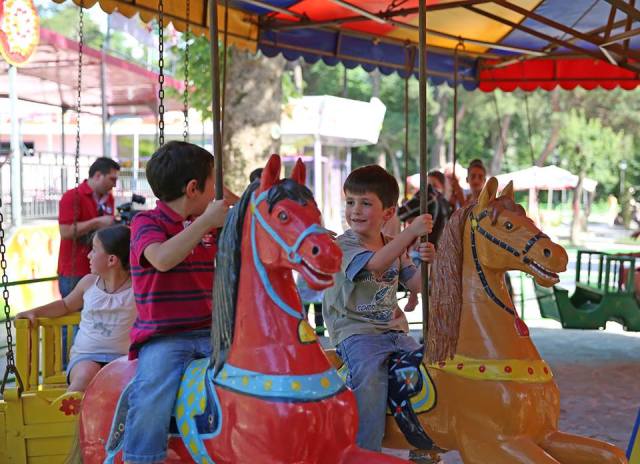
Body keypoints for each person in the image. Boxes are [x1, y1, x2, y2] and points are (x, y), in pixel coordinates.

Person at [123, 141, 232, 464]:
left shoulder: (208, 220)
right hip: (165, 335)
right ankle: (142, 457)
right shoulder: (148, 223)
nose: (218, 192)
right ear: (194, 188)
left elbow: (244, 208)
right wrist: (205, 222)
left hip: (211, 332)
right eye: (213, 183)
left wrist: (220, 199)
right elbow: (162, 258)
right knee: (152, 391)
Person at [322, 164, 435, 452]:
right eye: (350, 202)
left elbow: (418, 284)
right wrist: (409, 236)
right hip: (357, 333)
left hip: (394, 332)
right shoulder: (344, 245)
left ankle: (424, 443)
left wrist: (428, 261)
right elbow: (375, 264)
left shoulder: (391, 245)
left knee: (430, 370)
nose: (355, 210)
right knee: (370, 377)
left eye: (365, 203)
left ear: (387, 213)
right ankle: (365, 450)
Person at [16, 225, 134, 392]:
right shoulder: (89, 283)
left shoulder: (137, 289)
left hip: (123, 358)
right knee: (84, 378)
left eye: (93, 250)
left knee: (122, 385)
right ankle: (70, 414)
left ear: (111, 260)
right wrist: (34, 312)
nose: (88, 255)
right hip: (86, 356)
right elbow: (65, 305)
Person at [58, 157, 121, 297]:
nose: (115, 184)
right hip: (74, 270)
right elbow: (65, 231)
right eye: (112, 179)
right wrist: (97, 222)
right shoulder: (72, 196)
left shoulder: (109, 198)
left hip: (100, 270)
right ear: (98, 175)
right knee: (74, 315)